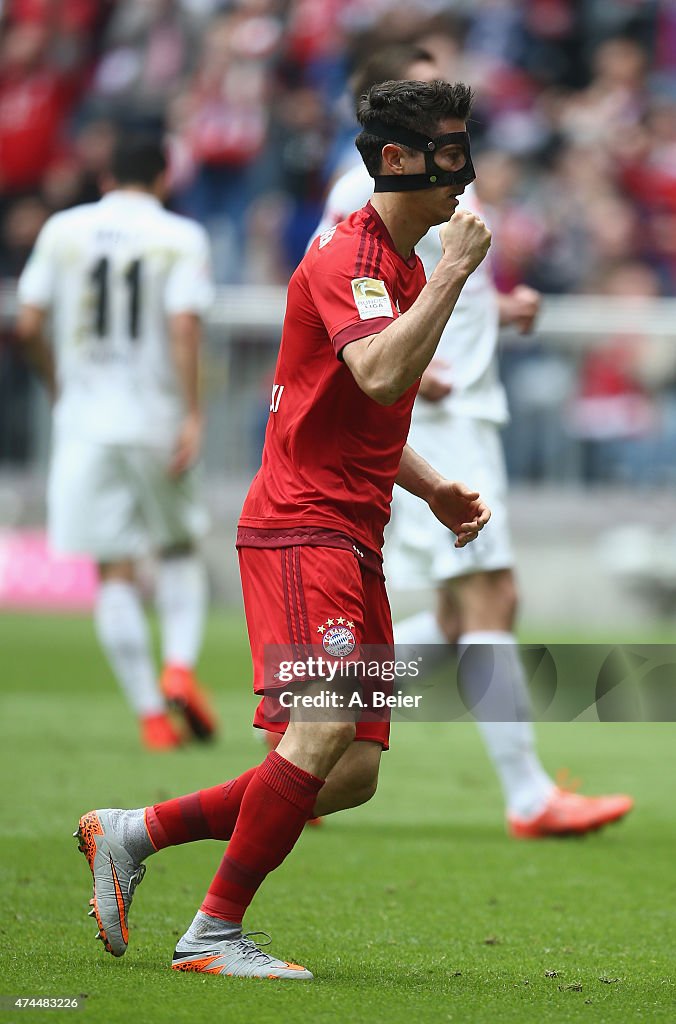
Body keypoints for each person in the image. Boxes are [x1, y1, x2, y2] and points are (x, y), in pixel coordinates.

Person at [73, 78, 492, 981]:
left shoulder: (404, 266)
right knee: (323, 721)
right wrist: (458, 271)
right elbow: (379, 373)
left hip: (350, 531)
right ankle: (213, 933)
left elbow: (346, 407)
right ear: (396, 159)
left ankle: (131, 834)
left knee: (349, 771)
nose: (465, 172)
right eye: (450, 152)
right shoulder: (359, 259)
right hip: (305, 528)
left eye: (467, 146)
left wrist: (427, 489)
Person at [312, 44, 633, 838]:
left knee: (466, 618)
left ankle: (312, 721)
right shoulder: (362, 191)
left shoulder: (442, 177)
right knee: (491, 599)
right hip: (435, 415)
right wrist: (413, 377)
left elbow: (449, 277)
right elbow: (344, 301)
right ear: (385, 107)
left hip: (467, 409)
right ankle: (528, 796)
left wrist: (503, 307)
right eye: (425, 85)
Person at [16, 137, 218, 751]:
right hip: (155, 418)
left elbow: (27, 323)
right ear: (163, 179)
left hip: (84, 424)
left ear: (105, 176)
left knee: (113, 569)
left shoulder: (63, 229)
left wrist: (59, 387)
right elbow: (184, 322)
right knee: (179, 549)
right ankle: (180, 665)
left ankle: (150, 715)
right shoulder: (180, 236)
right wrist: (191, 411)